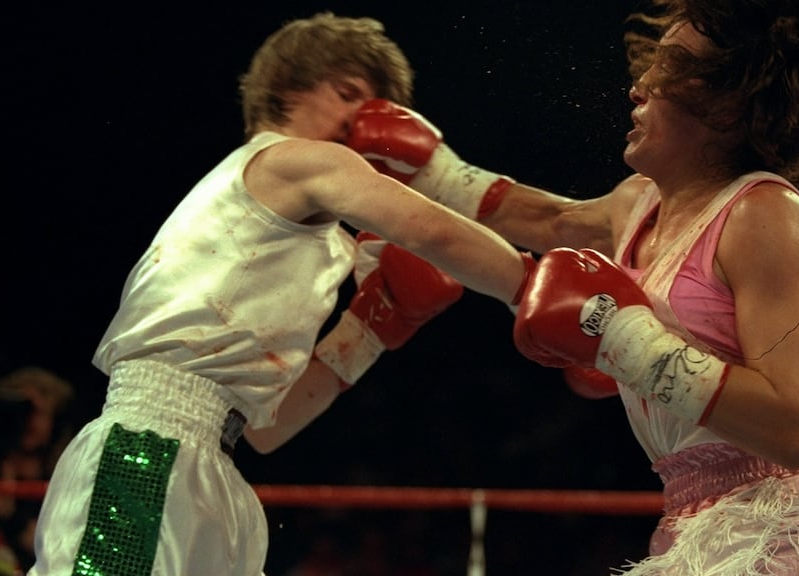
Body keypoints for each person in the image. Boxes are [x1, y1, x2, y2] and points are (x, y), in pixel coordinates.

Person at [344, 0, 799, 573]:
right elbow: (546, 221)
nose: (640, 85)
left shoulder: (768, 216)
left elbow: (792, 427)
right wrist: (433, 173)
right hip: (690, 517)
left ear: (728, 103)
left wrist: (623, 338)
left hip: (788, 521)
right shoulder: (639, 204)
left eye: (671, 66)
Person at [28, 12, 533, 576]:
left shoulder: (300, 234)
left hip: (214, 471)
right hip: (146, 449)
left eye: (375, 108)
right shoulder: (290, 159)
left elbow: (268, 429)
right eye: (348, 95)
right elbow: (430, 230)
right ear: (289, 89)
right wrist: (533, 288)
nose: (361, 121)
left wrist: (367, 334)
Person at [0, 366, 76, 574]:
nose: (27, 420)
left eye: (36, 412)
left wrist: (13, 519)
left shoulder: (66, 474)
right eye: (21, 410)